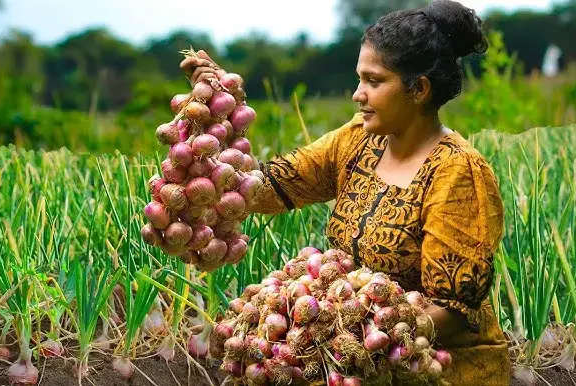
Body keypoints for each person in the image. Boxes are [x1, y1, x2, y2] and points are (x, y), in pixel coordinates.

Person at [180, 0, 509, 384]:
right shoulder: (357, 141)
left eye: (373, 81)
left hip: (438, 365)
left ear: (418, 89)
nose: (358, 94)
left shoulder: (458, 173)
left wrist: (346, 338)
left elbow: (452, 313)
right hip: (352, 357)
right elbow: (269, 188)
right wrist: (220, 111)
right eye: (359, 79)